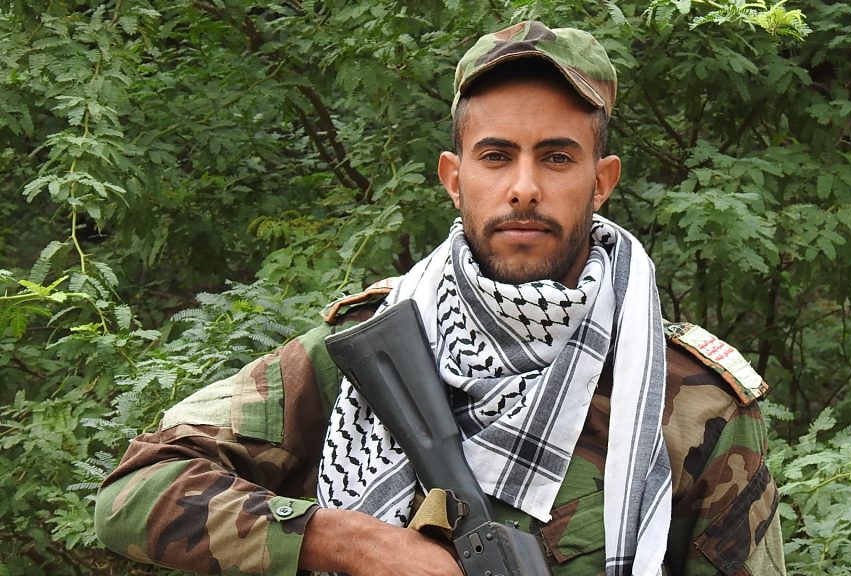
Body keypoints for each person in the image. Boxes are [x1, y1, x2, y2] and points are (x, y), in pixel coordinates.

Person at [94, 20, 786, 576]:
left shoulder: (692, 399)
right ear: (454, 179)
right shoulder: (369, 350)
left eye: (556, 157)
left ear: (601, 181)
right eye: (495, 156)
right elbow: (135, 491)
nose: (524, 188)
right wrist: (348, 542)